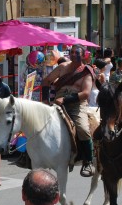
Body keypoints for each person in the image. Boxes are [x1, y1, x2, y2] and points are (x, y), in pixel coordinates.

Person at [41, 46, 95, 177]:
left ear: (83, 56)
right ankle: (31, 155)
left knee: (83, 129)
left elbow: (86, 93)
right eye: (71, 52)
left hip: (76, 105)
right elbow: (46, 81)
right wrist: (46, 100)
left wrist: (65, 99)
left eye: (77, 53)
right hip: (57, 102)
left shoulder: (87, 72)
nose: (73, 55)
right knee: (40, 122)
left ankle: (88, 161)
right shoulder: (62, 67)